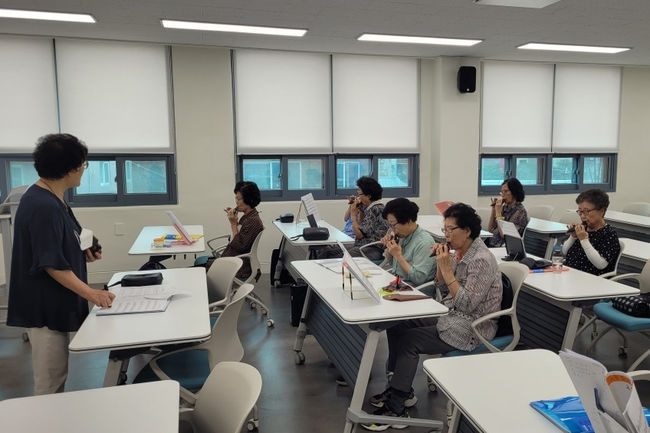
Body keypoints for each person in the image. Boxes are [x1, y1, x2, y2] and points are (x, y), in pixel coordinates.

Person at [364, 203, 502, 430]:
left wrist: (447, 271)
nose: (445, 235)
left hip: (471, 327)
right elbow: (443, 289)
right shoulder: (460, 253)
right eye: (444, 229)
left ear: (467, 230)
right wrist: (441, 264)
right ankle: (401, 390)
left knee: (409, 341)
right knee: (399, 323)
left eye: (450, 229)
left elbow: (467, 305)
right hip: (450, 315)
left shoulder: (481, 260)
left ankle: (397, 408)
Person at [7, 133, 115, 395]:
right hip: (43, 307)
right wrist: (92, 294)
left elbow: (63, 238)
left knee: (56, 375)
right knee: (50, 381)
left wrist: (84, 249)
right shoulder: (43, 205)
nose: (83, 170)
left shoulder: (53, 197)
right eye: (83, 164)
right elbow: (51, 264)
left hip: (53, 302)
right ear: (70, 169)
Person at [562, 189, 620, 276]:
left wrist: (584, 240)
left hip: (590, 278)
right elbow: (564, 252)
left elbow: (601, 264)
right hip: (570, 273)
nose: (582, 216)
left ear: (601, 211)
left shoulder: (609, 234)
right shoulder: (583, 229)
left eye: (586, 211)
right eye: (580, 211)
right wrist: (573, 237)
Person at [380, 198, 436, 287]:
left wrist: (398, 256)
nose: (392, 230)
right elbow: (394, 267)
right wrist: (390, 249)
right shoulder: (403, 235)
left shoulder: (424, 242)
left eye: (393, 225)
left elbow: (418, 278)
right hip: (399, 283)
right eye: (390, 225)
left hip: (415, 289)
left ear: (408, 221)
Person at [218, 181, 264, 280]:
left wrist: (233, 224)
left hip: (239, 266)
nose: (236, 202)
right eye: (236, 198)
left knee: (198, 270)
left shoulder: (253, 221)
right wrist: (235, 221)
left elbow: (239, 246)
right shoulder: (247, 217)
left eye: (239, 199)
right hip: (232, 260)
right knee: (199, 266)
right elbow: (238, 237)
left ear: (249, 199)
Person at [347, 176, 390, 260]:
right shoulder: (372, 208)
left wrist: (353, 215)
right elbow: (361, 228)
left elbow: (359, 235)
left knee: (342, 255)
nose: (358, 197)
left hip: (374, 249)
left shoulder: (376, 209)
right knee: (333, 250)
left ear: (369, 196)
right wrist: (361, 212)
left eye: (360, 194)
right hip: (364, 245)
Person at [487, 177, 528, 247]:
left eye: (506, 191)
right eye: (502, 192)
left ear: (514, 192)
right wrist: (494, 209)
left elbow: (505, 235)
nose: (503, 195)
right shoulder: (505, 207)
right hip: (492, 243)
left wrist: (498, 214)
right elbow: (490, 230)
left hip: (503, 246)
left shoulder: (520, 211)